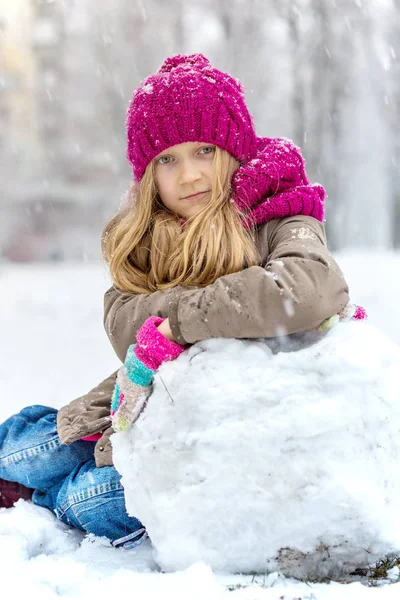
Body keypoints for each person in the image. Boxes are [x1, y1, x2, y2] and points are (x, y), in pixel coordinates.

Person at [0, 54, 362, 548]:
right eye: (167, 160)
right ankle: (32, 473)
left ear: (234, 149)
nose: (189, 176)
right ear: (149, 175)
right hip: (135, 405)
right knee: (32, 451)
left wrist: (178, 322)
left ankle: (43, 501)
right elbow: (125, 322)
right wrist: (231, 307)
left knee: (97, 500)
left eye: (205, 151)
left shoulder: (280, 214)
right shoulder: (151, 235)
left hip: (215, 436)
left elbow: (308, 289)